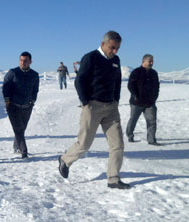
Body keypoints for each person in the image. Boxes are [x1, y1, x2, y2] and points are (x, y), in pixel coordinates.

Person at [58, 31, 131, 189]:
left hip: (111, 107)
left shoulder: (116, 60)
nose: (115, 51)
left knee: (117, 144)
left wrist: (116, 100)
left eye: (118, 48)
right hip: (93, 106)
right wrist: (86, 103)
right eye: (112, 47)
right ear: (103, 44)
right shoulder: (90, 58)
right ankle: (65, 159)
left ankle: (113, 178)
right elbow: (80, 81)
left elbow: (117, 82)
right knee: (84, 144)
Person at [2, 51, 39, 159]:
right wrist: (7, 101)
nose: (23, 63)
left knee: (22, 128)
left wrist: (33, 101)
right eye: (21, 60)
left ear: (30, 62)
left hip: (27, 106)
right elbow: (5, 87)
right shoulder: (12, 72)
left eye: (25, 61)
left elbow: (35, 90)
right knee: (18, 128)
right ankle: (24, 150)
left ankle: (17, 146)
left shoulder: (34, 75)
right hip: (13, 106)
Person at [126, 54, 160, 145]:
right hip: (136, 102)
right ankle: (129, 135)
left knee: (152, 121)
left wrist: (154, 97)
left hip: (150, 102)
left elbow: (157, 87)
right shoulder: (136, 72)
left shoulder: (154, 73)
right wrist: (136, 96)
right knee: (133, 119)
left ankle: (152, 140)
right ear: (143, 62)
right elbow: (130, 85)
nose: (152, 63)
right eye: (150, 61)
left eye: (152, 61)